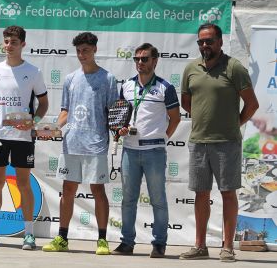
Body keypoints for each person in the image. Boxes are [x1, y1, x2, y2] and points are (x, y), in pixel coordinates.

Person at [179, 23, 259, 262]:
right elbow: (186, 102)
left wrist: (235, 124)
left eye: (209, 41)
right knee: (201, 194)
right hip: (199, 142)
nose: (205, 45)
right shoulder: (191, 68)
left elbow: (252, 104)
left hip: (227, 143)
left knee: (227, 194)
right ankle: (200, 246)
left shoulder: (234, 67)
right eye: (201, 41)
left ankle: (227, 248)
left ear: (220, 42)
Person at [42, 32, 118, 255]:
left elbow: (113, 113)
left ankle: (102, 240)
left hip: (96, 144)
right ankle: (62, 238)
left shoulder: (108, 79)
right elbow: (66, 110)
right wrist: (56, 126)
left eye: (86, 50)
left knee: (98, 190)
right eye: (78, 51)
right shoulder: (70, 79)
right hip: (71, 143)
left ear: (94, 49)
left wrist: (118, 130)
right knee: (68, 190)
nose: (82, 54)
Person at [0, 25, 48, 250]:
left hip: (23, 137)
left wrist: (33, 123)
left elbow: (43, 103)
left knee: (24, 184)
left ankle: (29, 235)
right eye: (6, 42)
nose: (9, 46)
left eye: (14, 42)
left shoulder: (34, 71)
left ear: (23, 45)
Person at [112, 43, 180, 257]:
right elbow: (121, 115)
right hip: (129, 150)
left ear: (155, 61)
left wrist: (163, 138)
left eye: (145, 59)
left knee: (158, 199)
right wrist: (121, 129)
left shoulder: (165, 87)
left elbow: (176, 118)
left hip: (154, 152)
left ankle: (159, 243)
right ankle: (127, 243)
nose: (140, 63)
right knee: (128, 200)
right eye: (137, 59)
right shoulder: (126, 86)